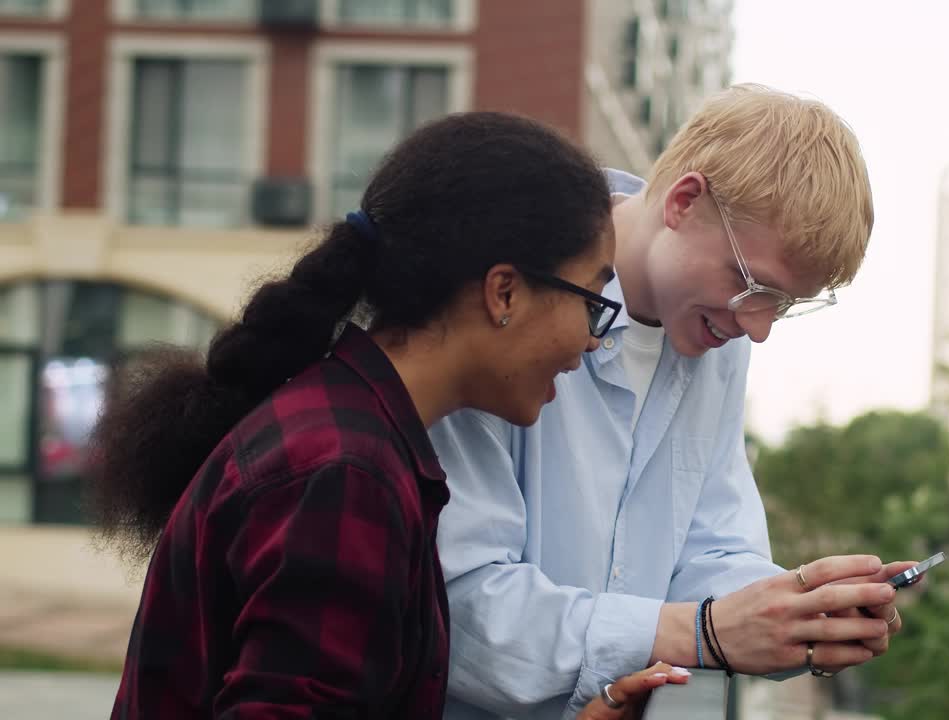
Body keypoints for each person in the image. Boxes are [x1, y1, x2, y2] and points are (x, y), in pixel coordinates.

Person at [87, 112, 685, 719]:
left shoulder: (352, 437)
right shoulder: (346, 474)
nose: (591, 343)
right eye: (592, 301)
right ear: (503, 292)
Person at [431, 85, 907, 719]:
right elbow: (456, 603)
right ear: (685, 201)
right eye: (753, 285)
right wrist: (702, 634)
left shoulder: (717, 330)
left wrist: (801, 613)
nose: (759, 327)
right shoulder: (515, 289)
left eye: (784, 304)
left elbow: (709, 549)